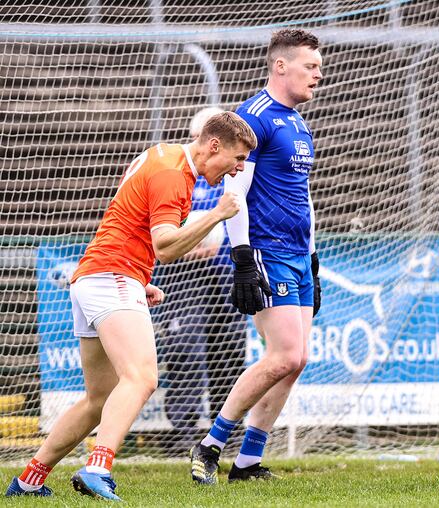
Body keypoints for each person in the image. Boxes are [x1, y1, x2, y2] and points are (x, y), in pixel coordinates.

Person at [5, 112, 257, 500]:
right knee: (141, 378)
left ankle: (29, 480)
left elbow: (130, 221)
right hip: (112, 277)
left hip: (96, 277)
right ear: (214, 146)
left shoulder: (165, 157)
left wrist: (141, 279)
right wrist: (217, 214)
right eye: (237, 158)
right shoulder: (174, 175)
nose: (238, 169)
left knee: (98, 400)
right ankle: (98, 467)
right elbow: (166, 246)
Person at [189, 28, 323, 485]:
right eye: (311, 66)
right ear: (280, 66)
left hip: (298, 254)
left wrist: (314, 257)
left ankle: (247, 462)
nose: (318, 75)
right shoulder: (254, 117)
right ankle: (209, 446)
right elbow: (235, 192)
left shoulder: (298, 121)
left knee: (297, 358)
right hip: (266, 250)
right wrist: (243, 256)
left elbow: (301, 194)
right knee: (284, 355)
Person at [151, 106, 249, 446]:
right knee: (186, 350)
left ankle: (228, 432)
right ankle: (183, 432)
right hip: (184, 277)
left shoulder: (233, 176)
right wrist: (185, 245)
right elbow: (163, 231)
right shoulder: (179, 176)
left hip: (225, 275)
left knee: (231, 352)